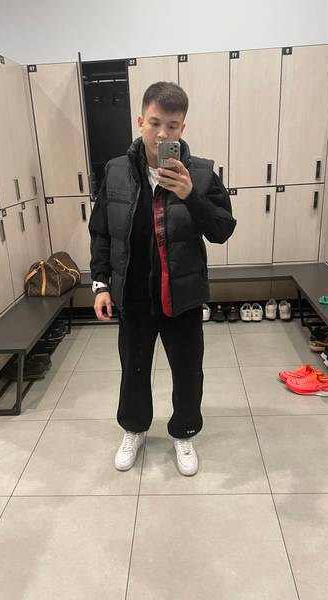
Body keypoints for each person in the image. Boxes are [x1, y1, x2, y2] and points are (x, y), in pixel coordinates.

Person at [89, 81, 235, 476]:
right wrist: (100, 284)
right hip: (134, 296)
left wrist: (191, 196)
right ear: (140, 121)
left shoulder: (200, 173)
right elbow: (102, 231)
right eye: (154, 123)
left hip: (181, 296)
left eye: (172, 126)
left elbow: (222, 229)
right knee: (133, 369)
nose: (162, 134)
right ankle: (134, 429)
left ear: (182, 127)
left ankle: (184, 432)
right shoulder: (116, 171)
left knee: (188, 371)